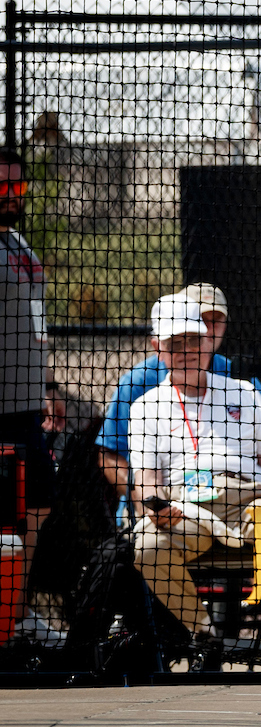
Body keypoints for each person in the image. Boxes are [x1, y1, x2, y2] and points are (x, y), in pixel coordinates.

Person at [128, 293, 261, 668]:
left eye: (194, 340)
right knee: (145, 544)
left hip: (253, 509)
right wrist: (156, 507)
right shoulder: (146, 405)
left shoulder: (243, 392)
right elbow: (146, 481)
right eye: (175, 343)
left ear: (208, 341)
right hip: (189, 513)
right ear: (157, 347)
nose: (187, 350)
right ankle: (204, 637)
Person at [96, 283, 261, 517]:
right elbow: (109, 456)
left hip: (243, 502)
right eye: (200, 318)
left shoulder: (241, 381)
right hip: (170, 504)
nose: (208, 328)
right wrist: (145, 499)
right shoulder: (137, 383)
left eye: (215, 321)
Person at [0, 147, 63, 648]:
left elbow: (36, 325)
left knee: (37, 509)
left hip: (27, 407)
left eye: (17, 186)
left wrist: (49, 387)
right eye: (2, 186)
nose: (11, 195)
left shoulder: (18, 242)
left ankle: (17, 617)